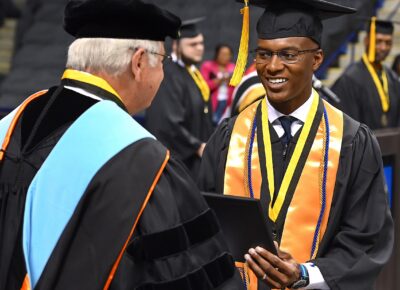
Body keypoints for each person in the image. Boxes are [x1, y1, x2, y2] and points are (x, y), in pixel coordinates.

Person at [0, 0, 244, 289]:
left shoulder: (10, 124)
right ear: (139, 62)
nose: (163, 75)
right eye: (163, 62)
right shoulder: (139, 158)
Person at [198, 0, 393, 289]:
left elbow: (366, 238)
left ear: (316, 59)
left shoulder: (352, 141)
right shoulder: (229, 136)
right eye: (264, 54)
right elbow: (204, 228)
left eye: (288, 54)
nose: (273, 66)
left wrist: (304, 275)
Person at [145, 17, 214, 178]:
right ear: (176, 46)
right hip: (180, 164)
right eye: (192, 44)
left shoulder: (192, 72)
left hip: (197, 162)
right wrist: (197, 146)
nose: (199, 48)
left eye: (201, 43)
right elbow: (168, 122)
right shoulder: (168, 74)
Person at [331, 18, 400, 129]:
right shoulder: (349, 79)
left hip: (391, 144)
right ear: (366, 40)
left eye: (388, 43)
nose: (383, 47)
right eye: (378, 41)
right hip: (364, 145)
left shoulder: (393, 78)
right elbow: (347, 128)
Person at [201, 44, 235, 124]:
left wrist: (231, 81)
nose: (225, 57)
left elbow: (238, 86)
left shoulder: (233, 67)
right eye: (222, 54)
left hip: (228, 103)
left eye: (227, 54)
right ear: (217, 54)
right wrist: (220, 80)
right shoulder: (208, 66)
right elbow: (203, 86)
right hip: (212, 102)